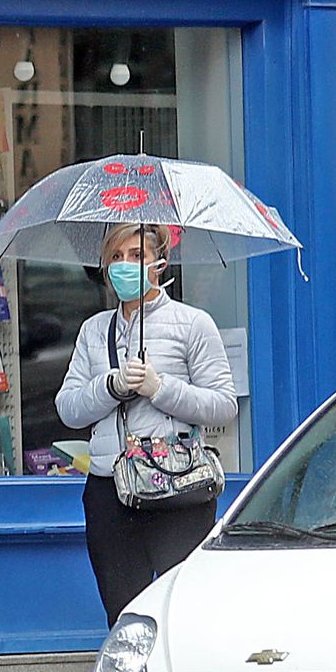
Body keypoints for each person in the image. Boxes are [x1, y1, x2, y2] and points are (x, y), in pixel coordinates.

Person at [56, 223, 238, 626]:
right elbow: (68, 408)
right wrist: (111, 386)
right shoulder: (94, 330)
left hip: (177, 486)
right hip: (110, 490)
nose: (125, 266)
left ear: (160, 261)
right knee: (123, 618)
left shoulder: (193, 324)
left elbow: (224, 405)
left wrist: (161, 388)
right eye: (116, 257)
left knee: (181, 615)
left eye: (137, 256)